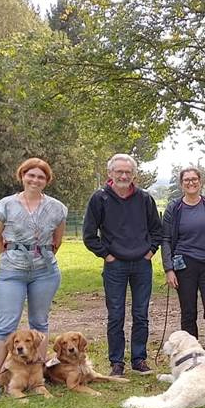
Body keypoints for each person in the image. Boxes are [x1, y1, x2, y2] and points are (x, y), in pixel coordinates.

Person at [0, 158, 68, 402]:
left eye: (41, 177)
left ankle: (37, 372)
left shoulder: (57, 208)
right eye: (30, 175)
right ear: (22, 176)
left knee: (39, 322)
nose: (35, 180)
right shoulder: (5, 206)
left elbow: (57, 241)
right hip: (12, 271)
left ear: (46, 181)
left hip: (45, 272)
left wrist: (39, 258)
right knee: (5, 325)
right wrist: (13, 258)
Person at [83, 153, 162, 376]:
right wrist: (106, 255)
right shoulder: (99, 199)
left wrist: (150, 251)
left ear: (134, 174)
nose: (124, 175)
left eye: (128, 172)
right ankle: (116, 362)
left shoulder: (144, 198)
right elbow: (89, 235)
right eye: (119, 171)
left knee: (141, 314)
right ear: (110, 173)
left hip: (141, 264)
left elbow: (157, 230)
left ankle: (139, 359)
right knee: (115, 314)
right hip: (114, 265)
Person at [161, 166, 205, 360]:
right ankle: (192, 355)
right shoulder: (174, 208)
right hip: (184, 267)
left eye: (194, 179)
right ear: (181, 183)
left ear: (200, 182)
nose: (191, 183)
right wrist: (168, 269)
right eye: (186, 180)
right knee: (188, 313)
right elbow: (165, 239)